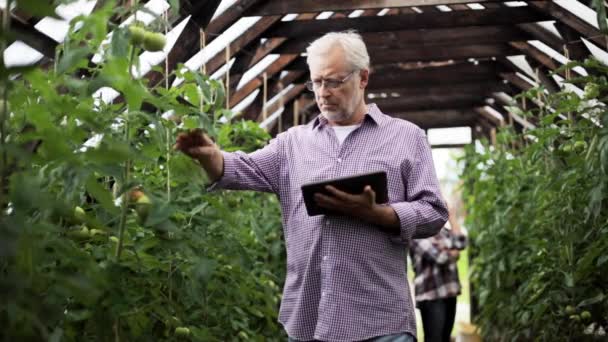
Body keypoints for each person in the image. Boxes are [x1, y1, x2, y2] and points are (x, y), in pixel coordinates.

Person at [175, 30, 448, 342]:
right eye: (316, 82)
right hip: (309, 318)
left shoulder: (406, 137)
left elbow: (434, 211)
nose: (323, 92)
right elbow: (241, 168)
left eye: (333, 81)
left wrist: (379, 214)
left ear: (363, 78)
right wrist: (211, 157)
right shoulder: (293, 143)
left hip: (380, 321)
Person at [409, 207, 468, 342]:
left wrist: (452, 217)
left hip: (449, 292)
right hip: (431, 295)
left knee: (445, 338)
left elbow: (461, 242)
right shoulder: (416, 233)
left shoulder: (442, 231)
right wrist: (453, 252)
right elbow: (440, 257)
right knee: (434, 339)